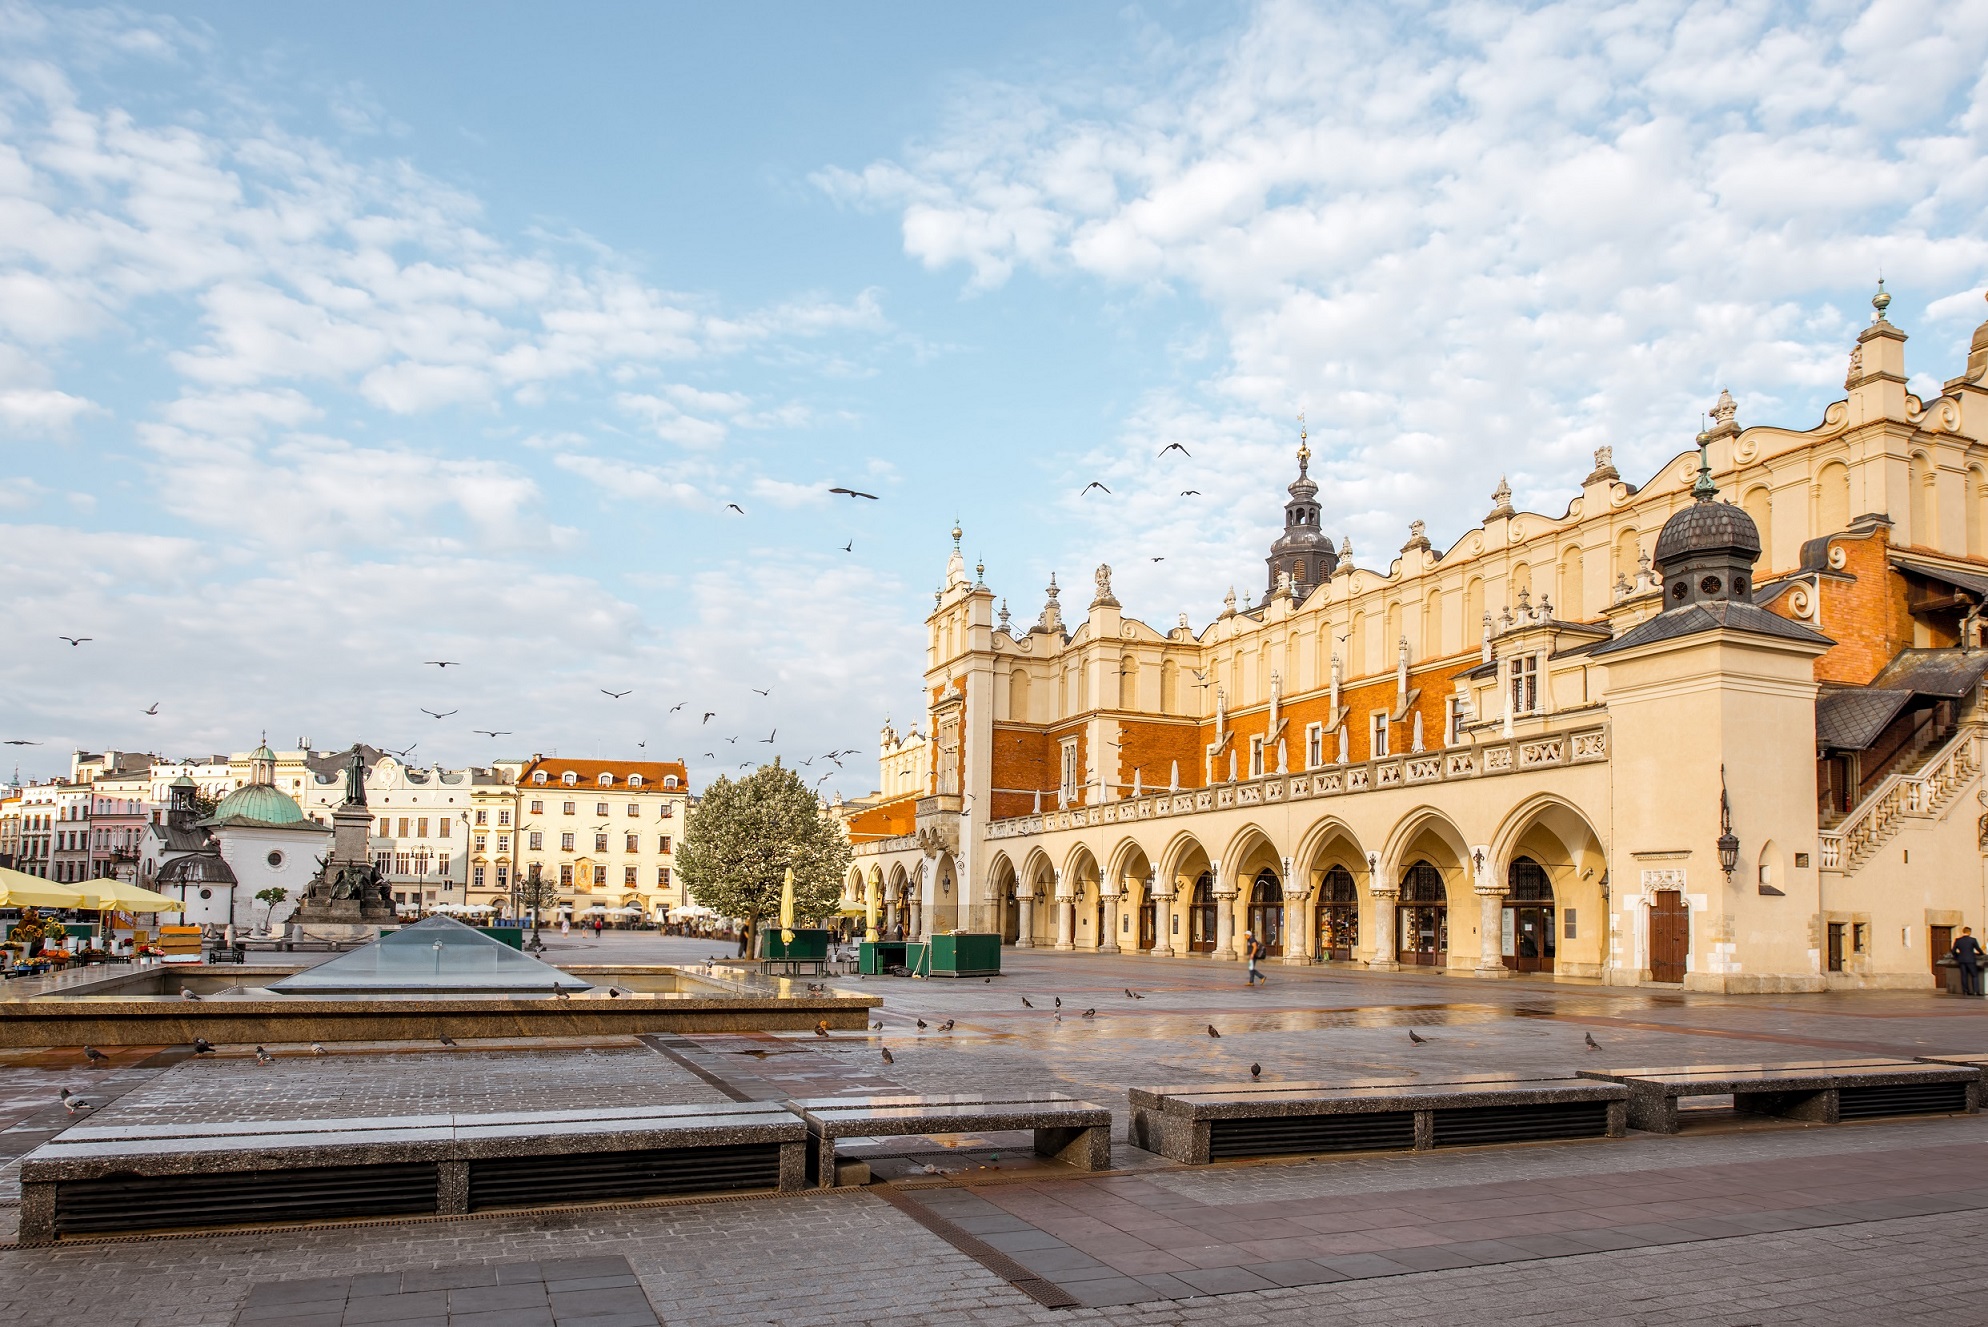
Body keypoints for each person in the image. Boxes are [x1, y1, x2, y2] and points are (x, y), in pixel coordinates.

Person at [1953, 927, 1985, 996]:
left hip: (1961, 960)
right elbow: (1978, 948)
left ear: (1963, 932)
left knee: (1964, 976)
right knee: (1974, 975)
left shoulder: (1958, 940)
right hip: (1970, 959)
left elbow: (1953, 951)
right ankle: (1976, 991)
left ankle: (1965, 991)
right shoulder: (1972, 940)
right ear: (1969, 932)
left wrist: (1957, 957)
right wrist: (1982, 954)